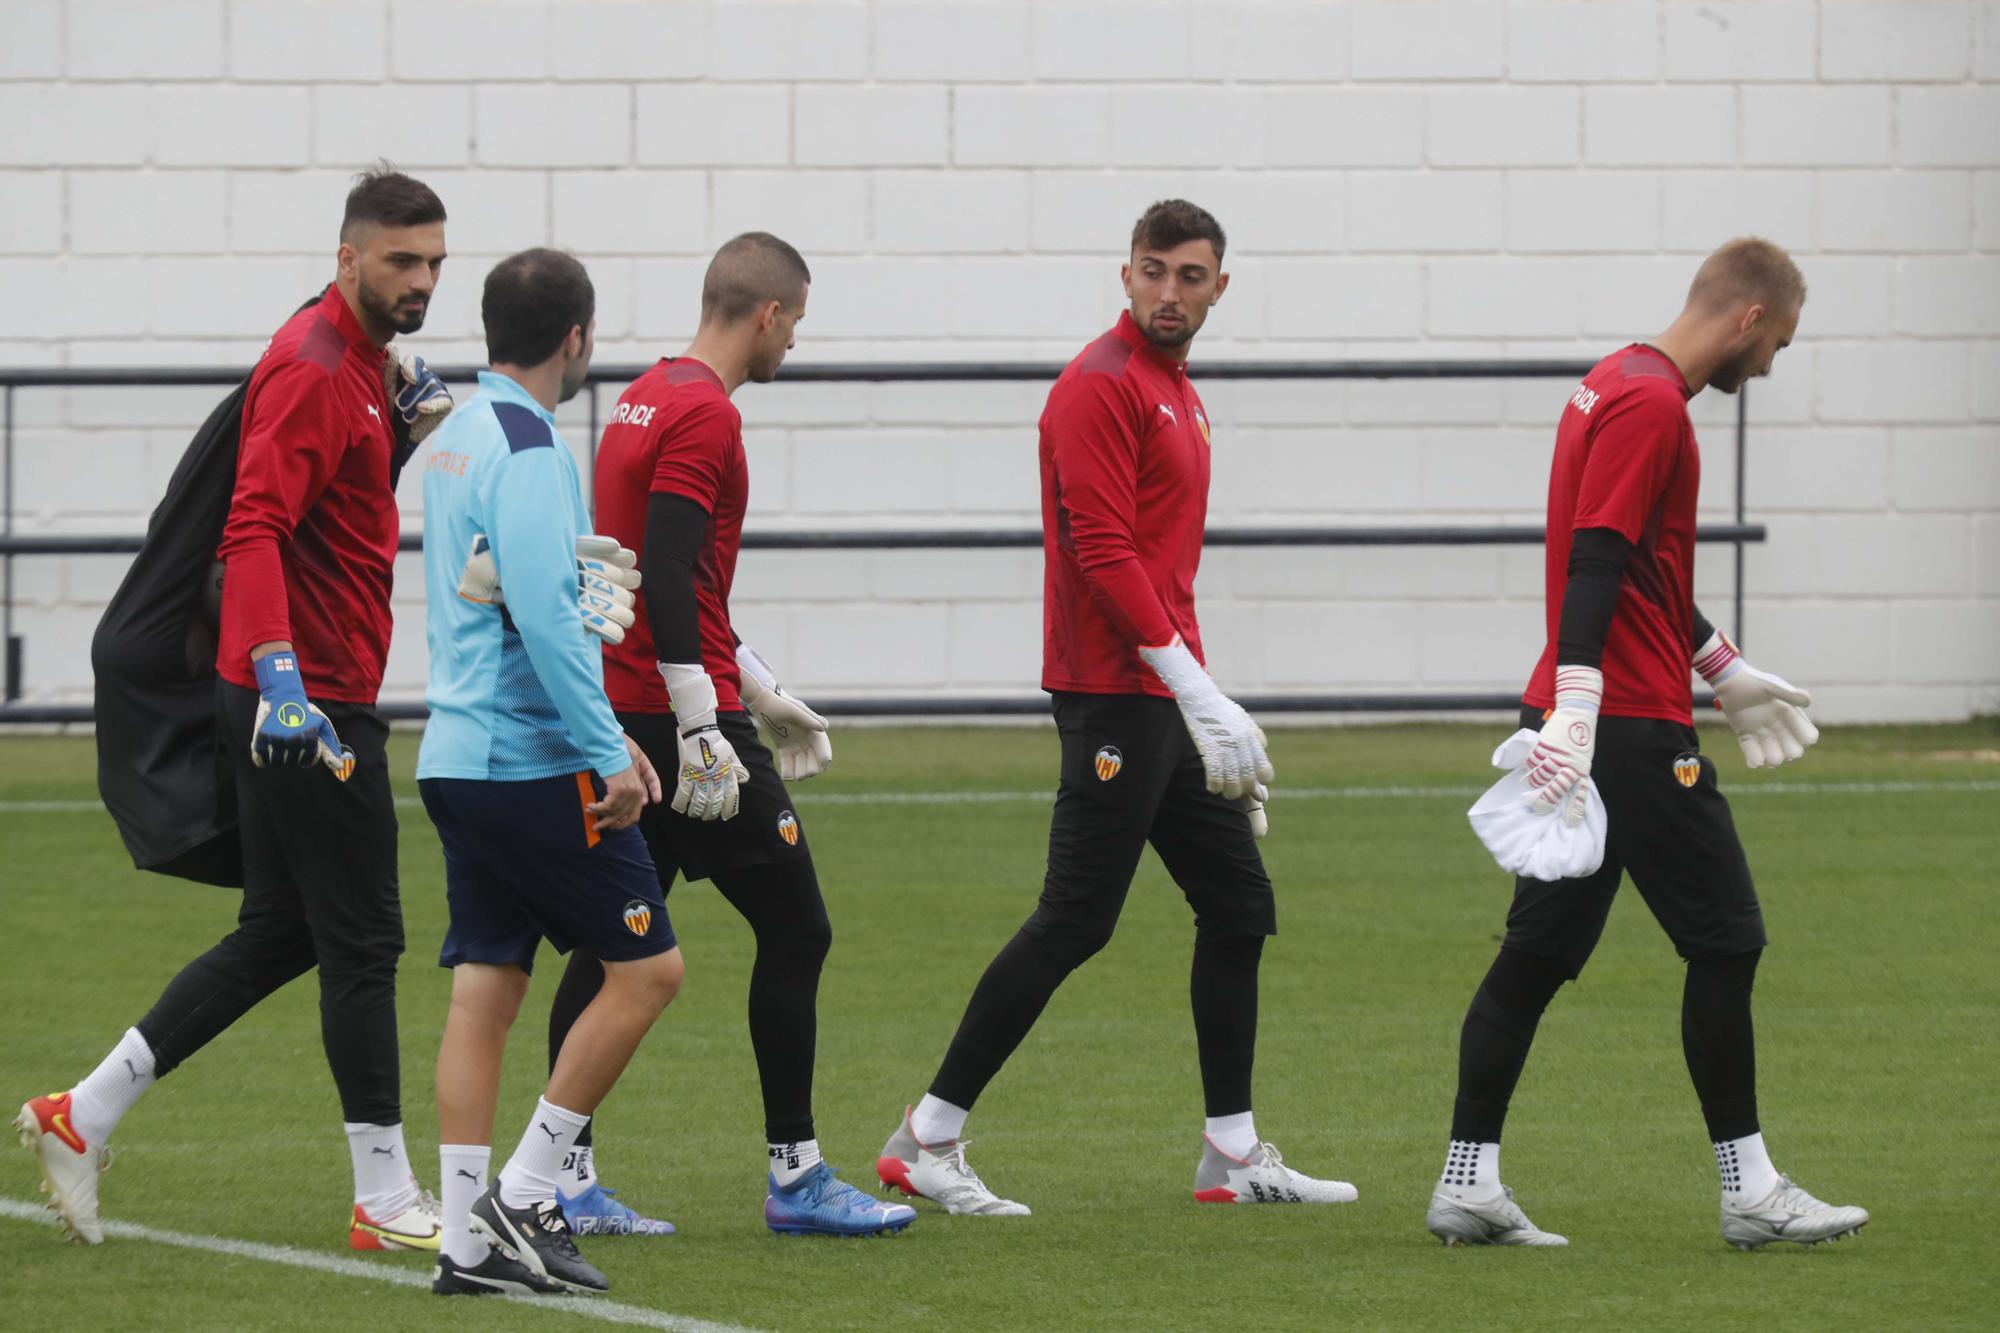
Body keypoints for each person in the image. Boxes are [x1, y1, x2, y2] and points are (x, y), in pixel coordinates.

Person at [876, 199, 1355, 1215]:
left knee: (1238, 907)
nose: (1168, 292)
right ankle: (926, 1134)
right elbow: (1102, 553)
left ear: (1218, 286)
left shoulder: (1176, 391)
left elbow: (1167, 572)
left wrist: (1209, 711)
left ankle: (1229, 1152)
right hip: (1112, 695)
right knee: (1073, 920)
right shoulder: (1098, 389)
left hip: (1163, 698)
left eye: (1189, 276)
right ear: (1123, 273)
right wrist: (1193, 691)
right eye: (1153, 271)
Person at [17, 170, 452, 1251]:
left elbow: (323, 518)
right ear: (347, 256)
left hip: (303, 687)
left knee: (284, 930)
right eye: (401, 261)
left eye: (435, 262)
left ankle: (84, 1111)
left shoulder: (359, 364)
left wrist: (396, 438)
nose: (422, 281)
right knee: (364, 937)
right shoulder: (314, 367)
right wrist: (283, 679)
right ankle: (385, 1197)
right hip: (304, 703)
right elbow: (251, 528)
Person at [1424, 237, 1869, 1251]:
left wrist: (1717, 665)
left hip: (1593, 716)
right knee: (1726, 939)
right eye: (1777, 345)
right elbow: (1595, 555)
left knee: (1533, 957)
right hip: (1621, 726)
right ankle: (1748, 1189)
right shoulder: (1652, 404)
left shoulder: (1608, 382)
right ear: (1747, 317)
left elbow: (1639, 563)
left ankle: (1466, 1180)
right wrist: (1582, 702)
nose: (1766, 369)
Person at [537, 231, 913, 1240]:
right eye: (796, 326)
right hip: (672, 717)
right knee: (798, 928)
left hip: (632, 702)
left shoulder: (641, 396)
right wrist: (705, 721)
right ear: (770, 316)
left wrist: (764, 685)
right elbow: (662, 572)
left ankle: (560, 1173)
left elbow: (667, 579)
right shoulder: (705, 415)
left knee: (612, 940)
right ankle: (795, 1174)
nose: (793, 344)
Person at [417, 247, 683, 1297]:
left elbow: (491, 593)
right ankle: (526, 1195)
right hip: (524, 758)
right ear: (577, 338)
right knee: (648, 969)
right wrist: (605, 745)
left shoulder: (452, 437)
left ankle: (464, 1246)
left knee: (487, 987)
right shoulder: (527, 445)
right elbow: (541, 611)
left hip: (454, 753)